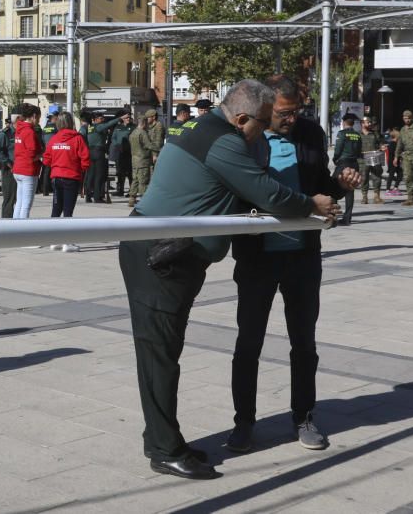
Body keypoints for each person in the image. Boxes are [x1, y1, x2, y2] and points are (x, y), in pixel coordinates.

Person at [118, 79, 337, 480]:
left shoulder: (204, 130)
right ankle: (164, 449)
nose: (266, 133)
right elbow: (271, 195)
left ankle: (166, 439)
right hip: (159, 255)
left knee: (164, 353)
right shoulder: (225, 142)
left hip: (170, 253)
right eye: (263, 123)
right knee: (159, 355)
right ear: (241, 118)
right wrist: (311, 203)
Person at [226, 75, 358, 456]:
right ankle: (244, 422)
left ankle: (304, 416)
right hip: (257, 258)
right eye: (284, 113)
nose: (291, 119)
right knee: (248, 343)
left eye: (296, 111)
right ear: (265, 111)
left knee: (304, 343)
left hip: (302, 256)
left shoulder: (311, 135)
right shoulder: (246, 139)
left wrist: (341, 184)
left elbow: (321, 189)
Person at [43, 112, 90, 217]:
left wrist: (56, 165)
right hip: (72, 178)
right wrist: (80, 170)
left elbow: (46, 160)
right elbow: (85, 159)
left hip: (56, 177)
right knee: (68, 211)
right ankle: (65, 232)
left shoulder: (53, 139)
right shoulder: (78, 139)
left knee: (56, 210)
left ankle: (52, 231)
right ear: (71, 122)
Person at [12, 103, 44, 219]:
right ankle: (23, 231)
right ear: (34, 116)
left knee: (19, 203)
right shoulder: (29, 132)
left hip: (18, 168)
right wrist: (41, 154)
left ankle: (15, 227)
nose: (39, 121)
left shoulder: (19, 130)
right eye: (39, 118)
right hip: (28, 170)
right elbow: (32, 154)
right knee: (26, 205)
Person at [332, 113, 362, 225]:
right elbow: (359, 152)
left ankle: (333, 216)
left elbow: (338, 149)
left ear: (344, 122)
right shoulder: (358, 135)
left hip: (343, 163)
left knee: (333, 187)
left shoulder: (342, 134)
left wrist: (335, 159)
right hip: (354, 163)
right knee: (350, 190)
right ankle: (347, 218)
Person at [0, 114, 18, 218]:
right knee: (9, 199)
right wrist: (7, 161)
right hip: (10, 170)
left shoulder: (24, 132)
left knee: (20, 200)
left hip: (22, 170)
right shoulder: (6, 133)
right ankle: (7, 224)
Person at [128, 117, 152, 207]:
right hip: (143, 160)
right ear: (144, 123)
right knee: (143, 181)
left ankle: (131, 199)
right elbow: (149, 145)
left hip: (134, 160)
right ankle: (144, 200)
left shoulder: (133, 132)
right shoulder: (143, 133)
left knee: (135, 180)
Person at [360, 116, 384, 205]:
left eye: (370, 122)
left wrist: (382, 146)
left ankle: (376, 196)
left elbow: (381, 142)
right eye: (368, 122)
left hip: (374, 157)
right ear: (362, 123)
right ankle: (364, 196)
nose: (370, 124)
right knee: (364, 178)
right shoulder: (358, 135)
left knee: (376, 177)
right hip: (363, 158)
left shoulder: (375, 134)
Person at [110, 111, 135, 196]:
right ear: (123, 118)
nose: (128, 119)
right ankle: (120, 190)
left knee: (130, 173)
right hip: (120, 153)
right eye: (126, 118)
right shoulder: (118, 127)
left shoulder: (133, 127)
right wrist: (117, 145)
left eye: (129, 118)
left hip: (129, 153)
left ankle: (132, 191)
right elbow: (113, 138)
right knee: (120, 172)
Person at [39, 114, 59, 196]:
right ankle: (55, 189)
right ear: (53, 119)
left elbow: (42, 140)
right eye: (56, 119)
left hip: (46, 151)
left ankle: (45, 190)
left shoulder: (45, 128)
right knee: (56, 171)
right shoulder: (56, 128)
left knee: (46, 172)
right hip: (55, 151)